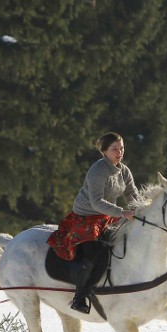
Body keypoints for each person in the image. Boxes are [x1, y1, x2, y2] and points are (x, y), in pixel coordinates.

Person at [47, 132, 138, 313]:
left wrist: (141, 210)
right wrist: (123, 212)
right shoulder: (98, 170)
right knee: (95, 252)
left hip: (107, 215)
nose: (119, 152)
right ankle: (80, 297)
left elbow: (132, 194)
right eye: (114, 149)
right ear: (104, 151)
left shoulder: (124, 170)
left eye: (121, 148)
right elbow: (96, 202)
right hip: (86, 216)